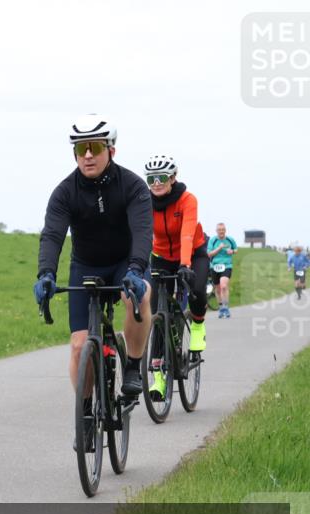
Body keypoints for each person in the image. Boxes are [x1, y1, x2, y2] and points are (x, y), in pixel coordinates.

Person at [35, 114, 153, 449]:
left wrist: (136, 268)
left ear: (110, 150)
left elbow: (144, 231)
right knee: (77, 346)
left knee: (139, 298)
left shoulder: (131, 186)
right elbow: (53, 235)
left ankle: (132, 365)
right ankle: (86, 414)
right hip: (85, 266)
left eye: (95, 147)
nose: (87, 155)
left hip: (126, 263)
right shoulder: (64, 192)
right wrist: (45, 273)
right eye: (80, 149)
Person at [144, 155, 209, 400]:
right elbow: (138, 232)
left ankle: (199, 325)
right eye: (151, 178)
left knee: (198, 289)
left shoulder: (187, 200)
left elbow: (187, 234)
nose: (156, 183)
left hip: (192, 253)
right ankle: (159, 377)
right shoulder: (145, 201)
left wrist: (184, 264)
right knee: (158, 317)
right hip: (160, 256)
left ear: (173, 178)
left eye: (161, 177)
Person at [207, 223, 238, 318]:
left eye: (223, 229)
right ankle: (221, 308)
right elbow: (209, 254)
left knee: (223, 285)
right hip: (214, 266)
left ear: (225, 230)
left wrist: (232, 251)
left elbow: (236, 249)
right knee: (217, 288)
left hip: (227, 265)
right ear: (216, 231)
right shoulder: (213, 240)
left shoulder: (230, 239)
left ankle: (226, 307)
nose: (221, 231)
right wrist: (219, 248)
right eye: (219, 230)